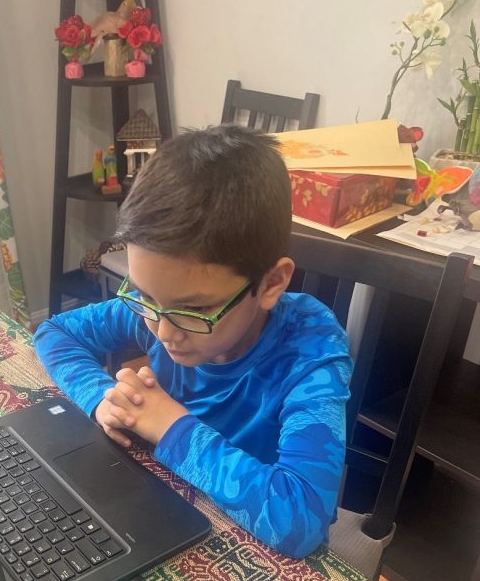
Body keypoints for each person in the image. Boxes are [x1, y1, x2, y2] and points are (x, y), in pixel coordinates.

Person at [34, 125, 352, 558]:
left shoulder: (310, 351)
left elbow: (300, 521)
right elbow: (55, 332)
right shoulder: (165, 305)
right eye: (144, 296)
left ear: (272, 282)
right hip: (164, 515)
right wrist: (100, 397)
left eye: (196, 311)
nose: (163, 332)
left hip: (258, 554)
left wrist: (169, 426)